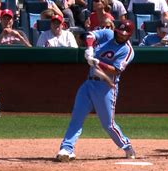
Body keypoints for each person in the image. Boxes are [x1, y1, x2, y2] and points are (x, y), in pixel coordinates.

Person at [55, 20, 136, 162]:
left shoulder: (127, 50)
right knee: (77, 117)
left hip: (105, 87)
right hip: (89, 83)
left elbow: (115, 71)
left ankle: (126, 146)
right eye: (119, 33)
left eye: (125, 34)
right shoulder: (107, 33)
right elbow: (89, 35)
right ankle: (67, 149)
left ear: (129, 35)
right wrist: (90, 48)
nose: (121, 36)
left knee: (108, 124)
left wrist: (99, 63)